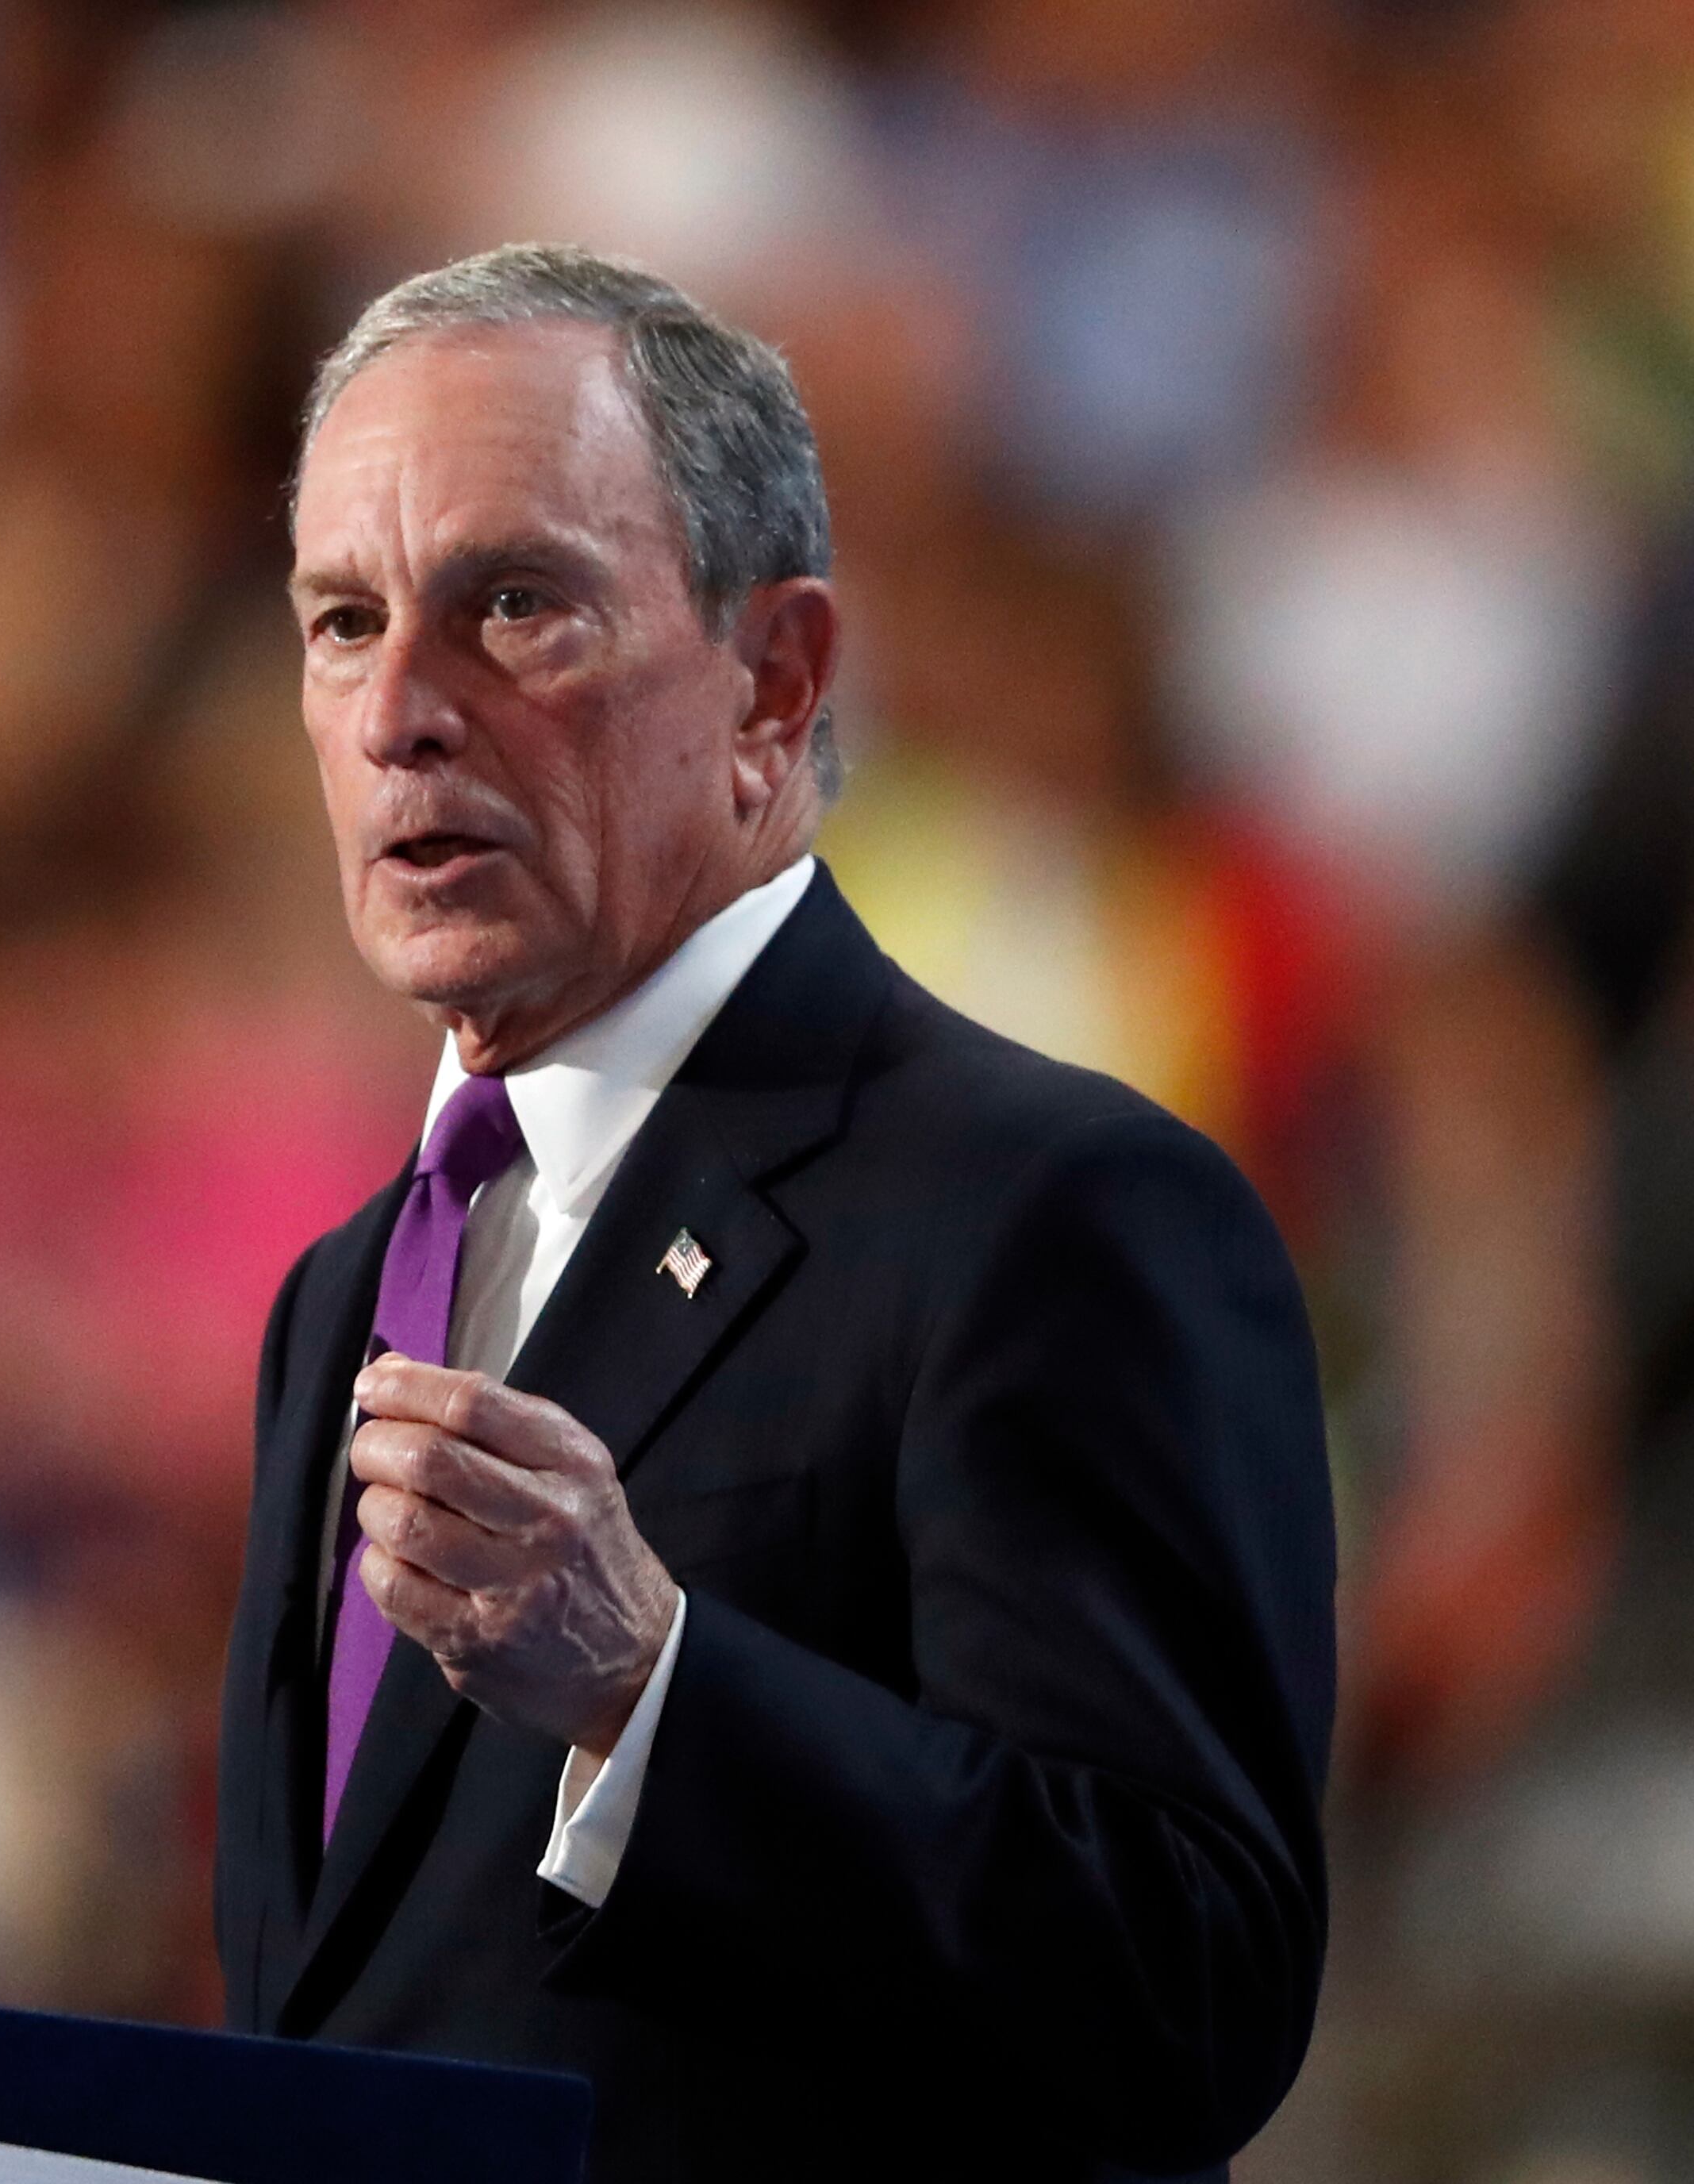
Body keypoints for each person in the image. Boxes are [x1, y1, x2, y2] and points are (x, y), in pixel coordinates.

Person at [213, 244, 1335, 2183]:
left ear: (776, 676)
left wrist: (658, 1688)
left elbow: (1189, 1969)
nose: (399, 708)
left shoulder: (1056, 1208)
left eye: (515, 605)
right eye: (341, 619)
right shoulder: (344, 1292)